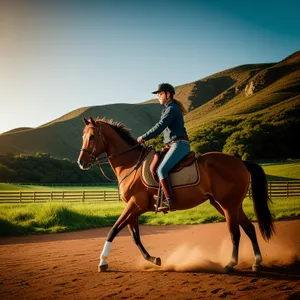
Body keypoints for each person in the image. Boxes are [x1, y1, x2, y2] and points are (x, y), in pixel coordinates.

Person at [137, 83, 190, 212]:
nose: (158, 97)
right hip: (171, 144)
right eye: (158, 95)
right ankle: (160, 196)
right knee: (154, 165)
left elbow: (160, 126)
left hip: (180, 144)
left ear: (168, 94)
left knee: (161, 170)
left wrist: (143, 137)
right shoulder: (168, 108)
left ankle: (170, 201)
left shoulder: (171, 108)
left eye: (160, 94)